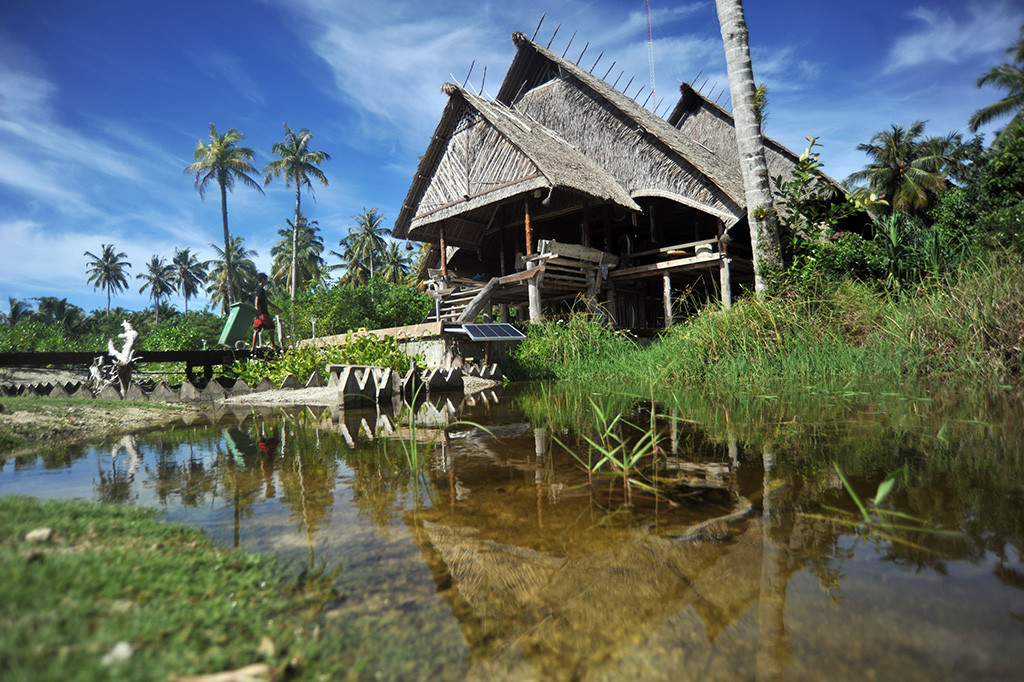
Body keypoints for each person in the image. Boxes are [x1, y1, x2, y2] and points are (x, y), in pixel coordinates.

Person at [251, 273, 282, 349]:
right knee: (271, 327)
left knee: (257, 329)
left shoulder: (261, 289)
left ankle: (253, 346)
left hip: (260, 313)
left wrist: (276, 308)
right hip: (263, 313)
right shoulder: (260, 289)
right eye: (266, 279)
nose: (267, 281)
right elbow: (257, 299)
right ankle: (272, 345)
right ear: (263, 280)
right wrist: (256, 308)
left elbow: (266, 302)